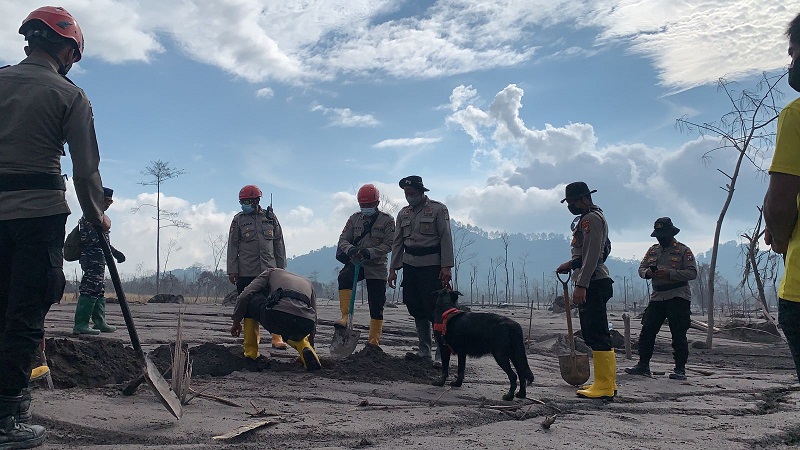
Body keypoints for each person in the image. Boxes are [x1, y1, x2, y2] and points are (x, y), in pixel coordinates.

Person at [0, 6, 108, 448]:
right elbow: (85, 173)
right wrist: (96, 213)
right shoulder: (71, 96)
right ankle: (7, 417)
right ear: (66, 48)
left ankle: (14, 401)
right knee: (24, 314)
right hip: (37, 216)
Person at [763, 12, 800, 383]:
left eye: (794, 54)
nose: (791, 64)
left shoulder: (797, 114)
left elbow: (779, 205)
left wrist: (782, 240)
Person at [556, 182, 615, 399]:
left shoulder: (591, 219)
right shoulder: (591, 217)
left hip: (594, 282)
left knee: (597, 334)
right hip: (593, 279)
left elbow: (592, 255)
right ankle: (605, 383)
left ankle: (605, 385)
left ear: (583, 199)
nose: (570, 206)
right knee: (594, 333)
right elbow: (589, 253)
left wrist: (582, 285)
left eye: (571, 202)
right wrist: (571, 265)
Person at [388, 176, 454, 364]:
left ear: (422, 192)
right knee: (415, 306)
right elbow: (398, 242)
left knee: (435, 309)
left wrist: (446, 266)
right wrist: (393, 268)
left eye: (413, 194)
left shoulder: (438, 209)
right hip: (410, 266)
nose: (409, 197)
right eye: (407, 194)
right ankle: (424, 351)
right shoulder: (403, 213)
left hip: (432, 266)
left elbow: (446, 238)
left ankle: (441, 355)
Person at [625, 218, 697, 380]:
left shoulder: (683, 251)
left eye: (663, 236)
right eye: (658, 236)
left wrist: (670, 274)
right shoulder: (652, 250)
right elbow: (641, 268)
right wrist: (648, 273)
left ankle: (680, 369)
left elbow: (692, 273)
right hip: (657, 296)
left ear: (671, 234)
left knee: (678, 333)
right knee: (647, 330)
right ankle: (643, 365)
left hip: (678, 295)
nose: (660, 239)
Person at [227, 184, 288, 356]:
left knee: (274, 304)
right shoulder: (238, 220)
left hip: (270, 270)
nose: (243, 204)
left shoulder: (270, 218)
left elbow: (278, 244)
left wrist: (281, 268)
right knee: (248, 309)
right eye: (242, 202)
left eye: (246, 201)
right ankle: (251, 348)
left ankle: (277, 338)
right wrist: (232, 270)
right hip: (247, 271)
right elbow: (232, 246)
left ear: (256, 200)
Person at [336, 184, 395, 348]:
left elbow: (390, 244)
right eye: (363, 205)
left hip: (376, 266)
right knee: (344, 277)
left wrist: (370, 252)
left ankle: (373, 342)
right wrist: (351, 250)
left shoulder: (387, 220)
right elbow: (343, 240)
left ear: (376, 203)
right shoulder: (354, 218)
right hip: (356, 263)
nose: (365, 208)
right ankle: (346, 317)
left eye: (369, 205)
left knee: (377, 304)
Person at [230, 268, 320, 371]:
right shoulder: (307, 281)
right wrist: (312, 346)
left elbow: (244, 296)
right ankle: (305, 348)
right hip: (305, 321)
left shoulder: (270, 272)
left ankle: (251, 354)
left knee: (252, 299)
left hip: (278, 315)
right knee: (290, 330)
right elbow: (314, 317)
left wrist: (236, 322)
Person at [73, 187, 125, 335]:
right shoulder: (90, 217)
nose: (108, 204)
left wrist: (114, 253)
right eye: (106, 200)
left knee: (98, 289)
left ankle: (99, 322)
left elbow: (103, 240)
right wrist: (113, 252)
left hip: (99, 258)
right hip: (91, 257)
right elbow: (95, 240)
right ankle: (80, 324)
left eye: (110, 201)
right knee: (90, 288)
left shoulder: (99, 217)